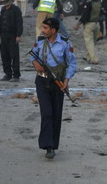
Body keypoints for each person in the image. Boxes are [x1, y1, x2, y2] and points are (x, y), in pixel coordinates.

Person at [30, 17, 77, 159]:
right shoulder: (39, 42)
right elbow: (32, 56)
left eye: (45, 28)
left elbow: (72, 63)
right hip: (42, 81)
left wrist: (66, 80)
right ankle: (47, 146)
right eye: (42, 28)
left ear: (53, 30)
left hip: (58, 83)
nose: (43, 31)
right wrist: (35, 64)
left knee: (56, 114)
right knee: (47, 113)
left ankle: (53, 145)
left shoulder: (65, 43)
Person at [74, 0, 101, 64]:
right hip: (96, 24)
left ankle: (94, 59)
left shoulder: (88, 3)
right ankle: (88, 57)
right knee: (93, 42)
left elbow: (85, 16)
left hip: (89, 24)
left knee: (89, 42)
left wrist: (77, 24)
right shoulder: (98, 1)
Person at [0, 1, 23, 82]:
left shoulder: (16, 10)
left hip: (12, 36)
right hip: (3, 35)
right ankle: (8, 74)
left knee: (14, 55)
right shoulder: (3, 10)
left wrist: (18, 35)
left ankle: (16, 75)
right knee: (4, 55)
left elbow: (19, 22)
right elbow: (1, 22)